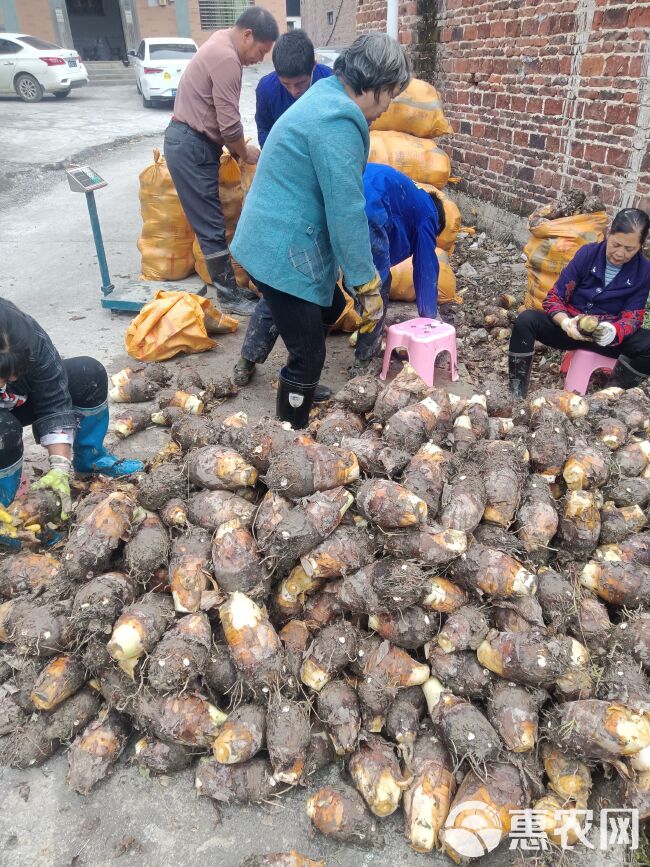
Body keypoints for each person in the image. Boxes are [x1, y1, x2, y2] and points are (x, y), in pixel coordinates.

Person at [230, 34, 411, 428]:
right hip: (280, 247)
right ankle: (288, 434)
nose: (388, 106)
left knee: (328, 306)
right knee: (309, 354)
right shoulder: (338, 120)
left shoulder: (326, 94)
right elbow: (346, 209)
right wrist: (366, 285)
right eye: (391, 95)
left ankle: (302, 385)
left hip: (277, 235)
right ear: (375, 85)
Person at [232, 162, 445, 391]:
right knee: (377, 286)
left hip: (332, 199)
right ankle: (362, 363)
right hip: (366, 210)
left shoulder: (406, 191)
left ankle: (246, 362)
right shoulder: (428, 213)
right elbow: (426, 268)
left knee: (289, 282)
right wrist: (429, 319)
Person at [163, 8, 279, 316]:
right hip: (192, 146)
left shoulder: (219, 41)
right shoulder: (227, 57)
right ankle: (229, 297)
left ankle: (229, 289)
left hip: (191, 142)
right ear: (247, 35)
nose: (259, 58)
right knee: (212, 226)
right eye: (260, 50)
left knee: (212, 222)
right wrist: (245, 152)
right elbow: (228, 125)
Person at [0, 299, 144, 518]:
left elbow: (54, 399)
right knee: (4, 430)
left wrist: (59, 466)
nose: (2, 384)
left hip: (17, 401)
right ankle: (7, 509)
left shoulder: (27, 338)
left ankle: (90, 461)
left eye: (8, 376)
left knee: (87, 373)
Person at [509, 208, 650, 398]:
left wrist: (613, 331)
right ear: (609, 233)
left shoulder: (643, 271)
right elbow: (554, 298)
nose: (620, 253)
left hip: (607, 339)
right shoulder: (587, 254)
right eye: (616, 244)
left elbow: (632, 318)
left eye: (629, 249)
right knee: (526, 320)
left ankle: (608, 397)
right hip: (571, 330)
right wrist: (566, 323)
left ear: (641, 246)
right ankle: (516, 394)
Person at [255, 29, 332, 148]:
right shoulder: (266, 89)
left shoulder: (332, 83)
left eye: (300, 83)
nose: (294, 92)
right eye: (286, 84)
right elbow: (265, 129)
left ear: (313, 65)